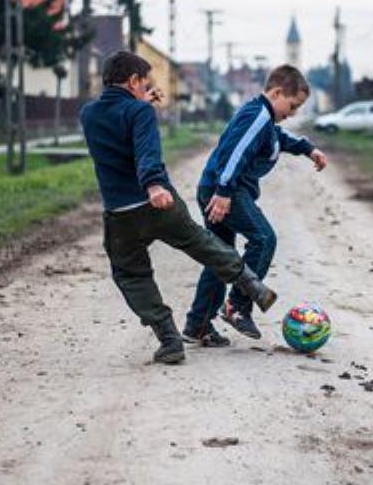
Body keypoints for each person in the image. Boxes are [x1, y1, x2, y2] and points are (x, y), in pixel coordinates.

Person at [79, 51, 277, 364]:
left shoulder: (88, 114)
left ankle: (170, 339)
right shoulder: (140, 113)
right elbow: (146, 151)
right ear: (133, 81)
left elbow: (117, 122)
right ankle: (249, 283)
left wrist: (140, 103)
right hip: (157, 202)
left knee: (132, 274)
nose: (147, 88)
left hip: (120, 214)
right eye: (144, 83)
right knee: (201, 242)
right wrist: (154, 183)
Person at [182, 65, 328, 345]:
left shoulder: (263, 118)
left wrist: (307, 148)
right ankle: (237, 305)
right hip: (226, 190)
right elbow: (234, 153)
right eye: (292, 105)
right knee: (263, 238)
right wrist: (224, 191)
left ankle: (197, 324)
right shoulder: (258, 116)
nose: (293, 113)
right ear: (275, 92)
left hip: (218, 187)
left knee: (220, 256)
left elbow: (278, 139)